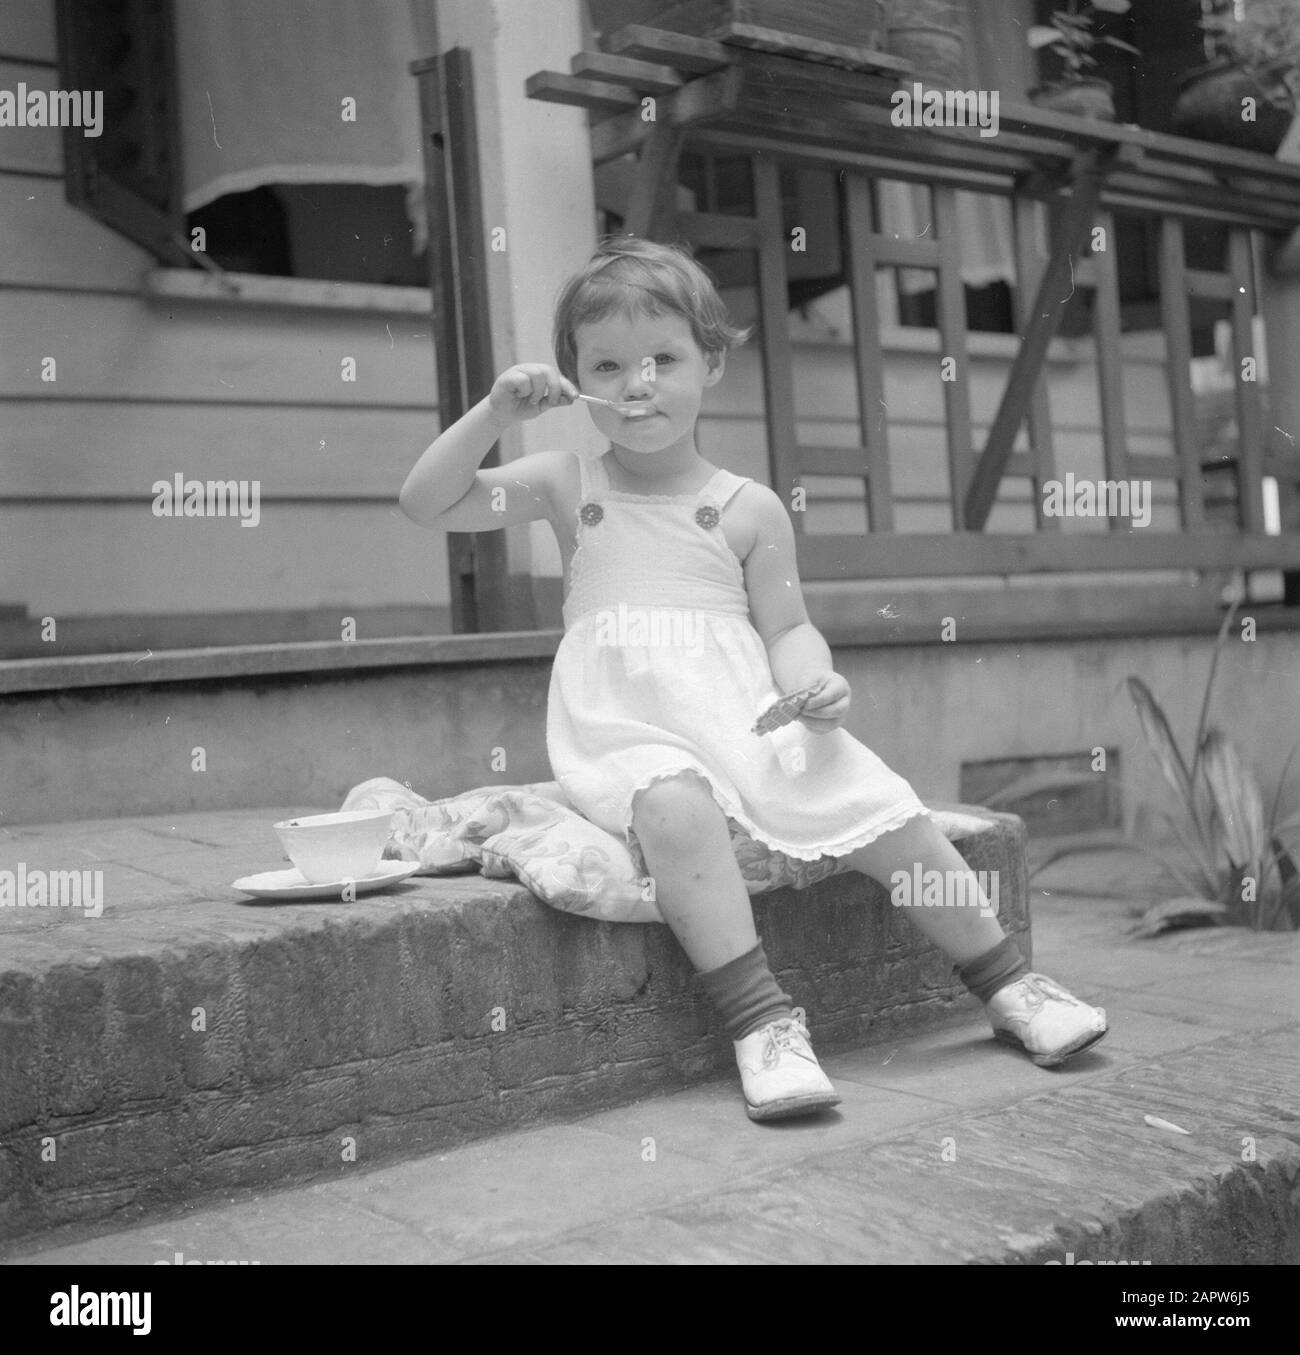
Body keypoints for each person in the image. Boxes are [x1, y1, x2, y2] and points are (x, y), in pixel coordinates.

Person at [399, 236, 1107, 1122]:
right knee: (674, 809)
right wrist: (494, 413)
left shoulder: (747, 507)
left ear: (714, 364)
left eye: (663, 358)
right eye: (608, 365)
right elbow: (427, 502)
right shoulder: (565, 482)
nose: (637, 382)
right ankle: (764, 1024)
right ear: (576, 378)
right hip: (628, 732)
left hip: (743, 719)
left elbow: (788, 628)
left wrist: (818, 685)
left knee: (881, 802)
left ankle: (1010, 983)